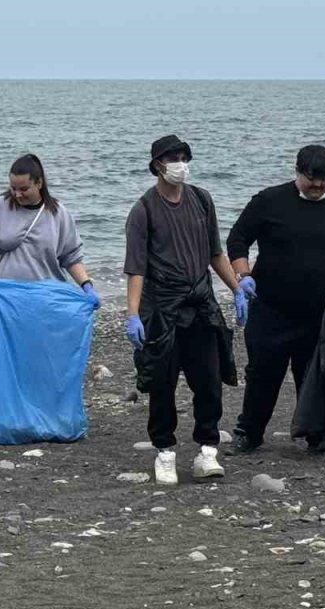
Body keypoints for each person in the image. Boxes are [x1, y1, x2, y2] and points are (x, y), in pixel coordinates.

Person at [226, 145, 325, 454]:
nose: (318, 185)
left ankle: (316, 433)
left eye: (324, 179)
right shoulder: (268, 201)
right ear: (298, 171)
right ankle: (249, 433)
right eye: (312, 178)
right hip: (270, 309)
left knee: (315, 376)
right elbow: (237, 238)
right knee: (263, 373)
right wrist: (243, 274)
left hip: (319, 313)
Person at [125, 135, 243, 485]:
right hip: (162, 308)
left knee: (208, 380)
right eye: (172, 158)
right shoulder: (143, 210)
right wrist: (133, 314)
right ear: (158, 165)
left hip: (201, 304)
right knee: (161, 382)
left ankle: (208, 451)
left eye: (183, 156)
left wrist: (237, 289)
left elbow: (214, 253)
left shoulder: (202, 200)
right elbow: (136, 267)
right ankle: (164, 452)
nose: (179, 163)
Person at [0, 154, 100, 443]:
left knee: (41, 360)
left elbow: (70, 256)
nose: (17, 194)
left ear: (39, 183)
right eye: (13, 188)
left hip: (43, 303)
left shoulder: (58, 214)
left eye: (24, 188)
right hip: (1, 302)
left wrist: (87, 286)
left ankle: (43, 419)